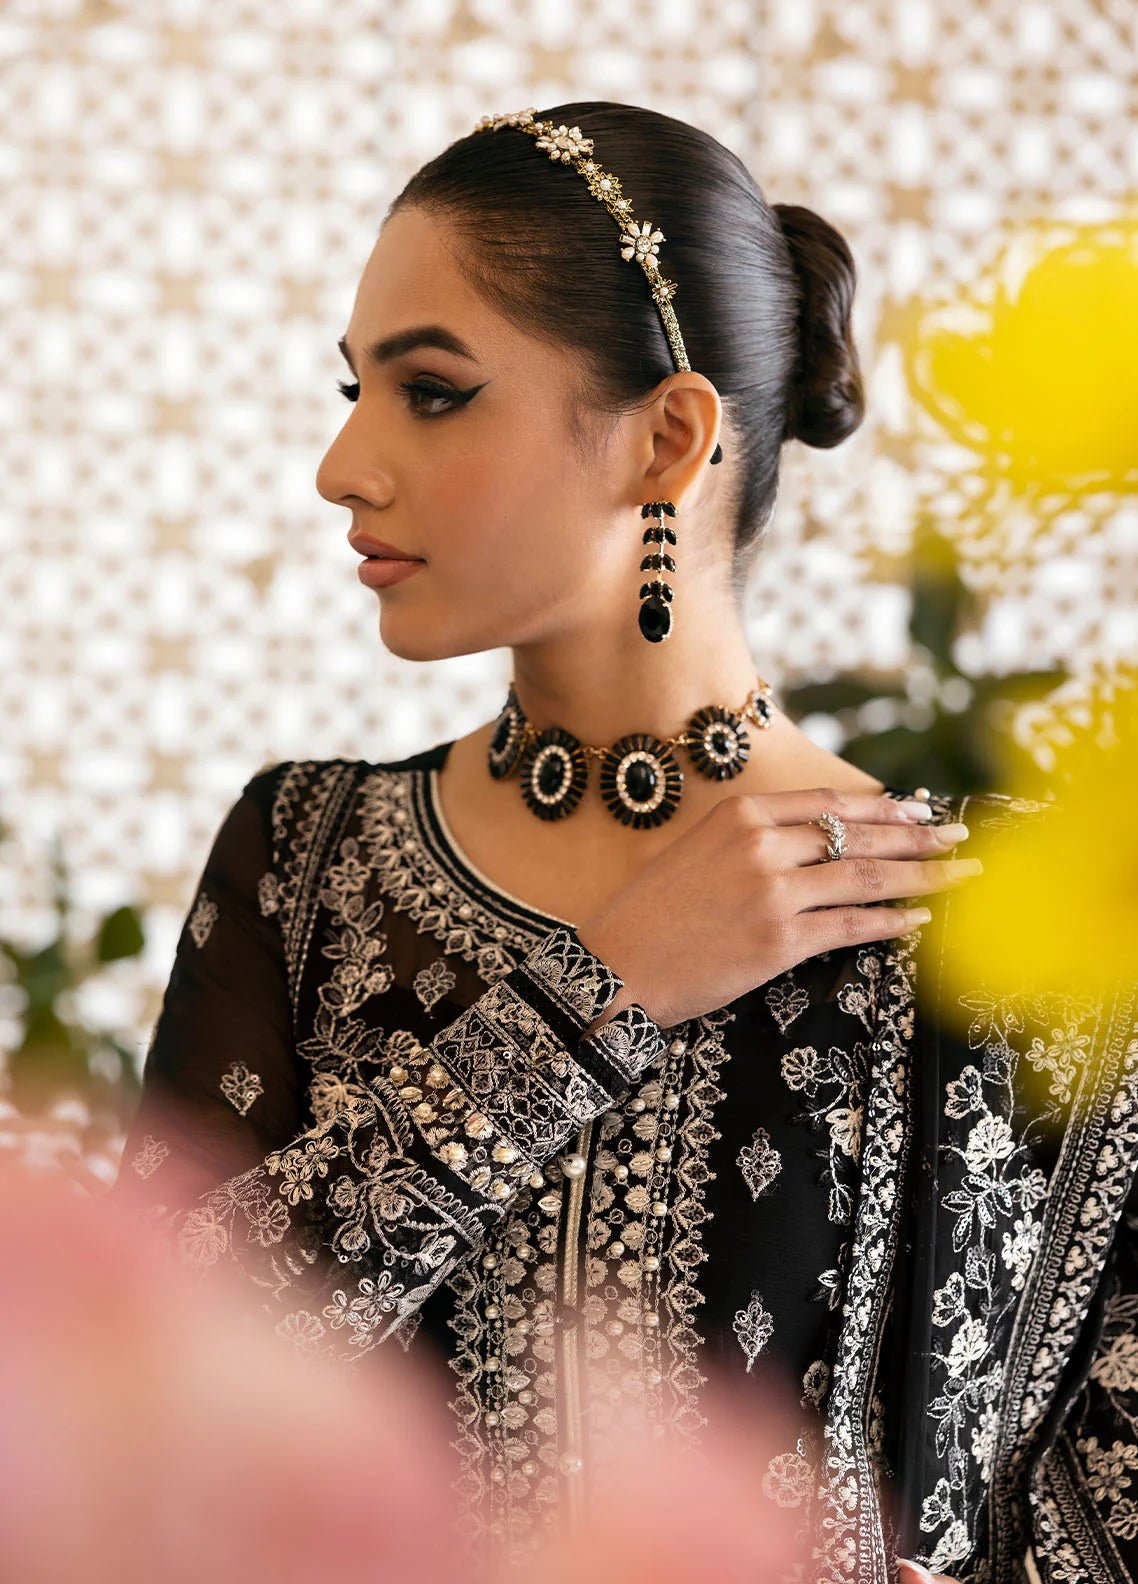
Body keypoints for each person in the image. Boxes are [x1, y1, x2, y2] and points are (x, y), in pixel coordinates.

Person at [103, 102, 1138, 1583]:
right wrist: (600, 992)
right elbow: (139, 1387)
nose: (342, 464)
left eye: (432, 392)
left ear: (667, 438)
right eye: (353, 390)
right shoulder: (308, 854)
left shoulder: (991, 916)